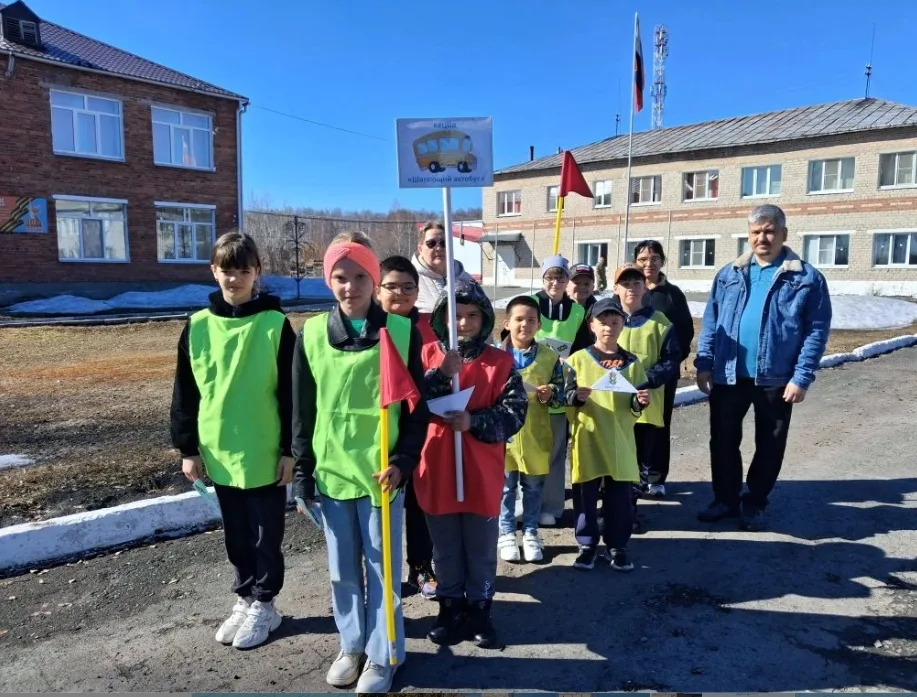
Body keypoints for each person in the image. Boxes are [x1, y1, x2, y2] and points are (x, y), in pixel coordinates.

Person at [292, 242, 429, 693]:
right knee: (342, 570)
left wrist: (404, 461)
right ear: (328, 281)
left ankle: (383, 652)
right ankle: (351, 646)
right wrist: (302, 474)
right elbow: (302, 411)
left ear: (374, 281)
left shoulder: (402, 332)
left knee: (382, 569)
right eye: (340, 277)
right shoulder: (311, 333)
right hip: (332, 474)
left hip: (381, 476)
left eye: (360, 277)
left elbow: (417, 410)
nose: (350, 287)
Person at [170, 231, 296, 650]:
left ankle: (266, 602)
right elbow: (185, 392)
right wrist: (188, 448)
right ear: (214, 271)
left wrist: (289, 451)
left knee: (265, 534)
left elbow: (291, 394)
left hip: (264, 448)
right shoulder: (197, 326)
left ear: (257, 272)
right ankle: (245, 595)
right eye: (227, 270)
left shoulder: (275, 325)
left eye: (244, 270)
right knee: (236, 533)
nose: (235, 279)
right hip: (218, 448)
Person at [695, 204, 831, 531]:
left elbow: (816, 330)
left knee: (769, 443)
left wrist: (801, 377)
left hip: (777, 378)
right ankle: (725, 499)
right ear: (748, 235)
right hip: (728, 374)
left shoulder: (806, 277)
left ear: (783, 234)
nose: (762, 238)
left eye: (770, 231)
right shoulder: (730, 274)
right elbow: (711, 322)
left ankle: (755, 502)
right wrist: (704, 362)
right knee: (723, 440)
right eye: (756, 232)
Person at [415, 280, 527, 649]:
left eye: (472, 316)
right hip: (437, 468)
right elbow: (411, 405)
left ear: (484, 318)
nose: (463, 323)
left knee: (479, 547)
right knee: (445, 546)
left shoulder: (501, 363)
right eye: (456, 316)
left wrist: (474, 422)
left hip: (480, 472)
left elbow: (514, 413)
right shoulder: (427, 355)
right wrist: (441, 375)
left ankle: (480, 608)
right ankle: (450, 608)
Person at [565, 297, 650, 571]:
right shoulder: (577, 360)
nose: (609, 328)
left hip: (621, 439)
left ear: (623, 325)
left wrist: (640, 402)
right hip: (587, 437)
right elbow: (563, 399)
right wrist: (575, 397)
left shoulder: (632, 363)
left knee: (620, 497)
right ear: (591, 324)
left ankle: (618, 545)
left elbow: (635, 405)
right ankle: (587, 543)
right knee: (585, 496)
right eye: (602, 321)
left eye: (615, 322)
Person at [376, 255, 437, 599]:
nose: (400, 293)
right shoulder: (370, 326)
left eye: (408, 286)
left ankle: (421, 567)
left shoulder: (431, 325)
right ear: (378, 288)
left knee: (418, 502)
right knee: (380, 509)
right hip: (380, 431)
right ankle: (381, 573)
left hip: (418, 429)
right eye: (391, 286)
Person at [497, 295, 570, 564]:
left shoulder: (550, 356)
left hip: (536, 432)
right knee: (504, 487)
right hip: (503, 434)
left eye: (530, 320)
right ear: (507, 323)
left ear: (539, 325)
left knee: (533, 486)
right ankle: (505, 532)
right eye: (518, 319)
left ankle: (530, 531)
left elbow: (561, 395)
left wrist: (549, 393)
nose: (524, 325)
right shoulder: (495, 355)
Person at [612, 263, 681, 530]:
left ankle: (629, 513)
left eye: (636, 283)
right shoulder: (607, 320)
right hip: (612, 406)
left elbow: (671, 360)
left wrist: (645, 380)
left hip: (645, 406)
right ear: (616, 287)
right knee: (613, 461)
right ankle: (611, 511)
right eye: (625, 283)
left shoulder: (660, 323)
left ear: (645, 286)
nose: (631, 288)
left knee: (638, 463)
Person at [533, 255, 591, 526]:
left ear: (568, 281)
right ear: (542, 279)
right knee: (527, 448)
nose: (555, 283)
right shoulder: (531, 304)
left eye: (561, 277)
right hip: (531, 386)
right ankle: (524, 503)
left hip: (561, 385)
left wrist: (571, 361)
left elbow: (582, 348)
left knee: (556, 450)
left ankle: (551, 505)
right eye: (550, 277)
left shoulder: (578, 311)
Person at [632, 240, 695, 496]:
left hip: (663, 373)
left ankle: (656, 477)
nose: (649, 264)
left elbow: (685, 330)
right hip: (628, 373)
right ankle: (629, 475)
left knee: (659, 424)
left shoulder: (672, 294)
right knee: (630, 423)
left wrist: (671, 362)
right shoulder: (629, 289)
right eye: (643, 259)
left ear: (663, 261)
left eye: (655, 258)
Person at [412, 220, 474, 314]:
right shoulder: (410, 279)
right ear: (420, 249)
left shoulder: (466, 278)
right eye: (431, 243)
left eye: (443, 243)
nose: (438, 248)